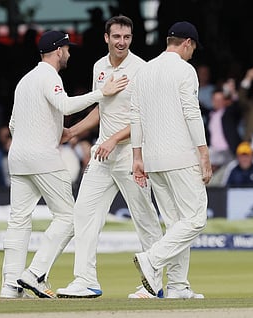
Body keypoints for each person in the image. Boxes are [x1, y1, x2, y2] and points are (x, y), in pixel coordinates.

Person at [0, 30, 128, 299]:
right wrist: (101, 93)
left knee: (18, 220)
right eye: (67, 49)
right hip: (42, 156)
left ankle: (10, 287)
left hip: (18, 156)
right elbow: (66, 106)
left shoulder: (25, 80)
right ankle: (35, 273)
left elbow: (13, 124)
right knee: (70, 217)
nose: (69, 53)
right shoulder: (49, 76)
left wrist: (35, 134)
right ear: (58, 51)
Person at [55, 15, 165, 299]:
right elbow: (102, 109)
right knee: (84, 213)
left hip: (132, 153)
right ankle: (85, 280)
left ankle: (154, 284)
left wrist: (114, 139)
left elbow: (145, 118)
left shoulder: (142, 69)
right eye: (116, 37)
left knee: (145, 218)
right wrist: (73, 132)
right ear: (106, 38)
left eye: (127, 37)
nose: (121, 42)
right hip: (103, 155)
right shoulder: (99, 67)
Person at [130, 21, 212, 299]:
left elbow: (135, 116)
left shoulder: (144, 70)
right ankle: (152, 259)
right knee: (196, 219)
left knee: (176, 224)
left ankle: (178, 286)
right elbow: (192, 113)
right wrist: (204, 153)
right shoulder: (184, 70)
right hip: (181, 157)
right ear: (187, 43)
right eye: (192, 48)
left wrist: (137, 156)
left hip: (153, 159)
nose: (192, 53)